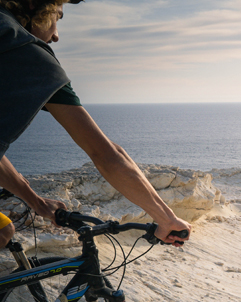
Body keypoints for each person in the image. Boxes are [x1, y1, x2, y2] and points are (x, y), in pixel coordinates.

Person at [0, 0, 190, 247]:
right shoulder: (29, 53)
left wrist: (36, 202)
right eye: (58, 16)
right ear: (38, 7)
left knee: (3, 231)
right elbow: (105, 153)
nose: (56, 35)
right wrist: (167, 219)